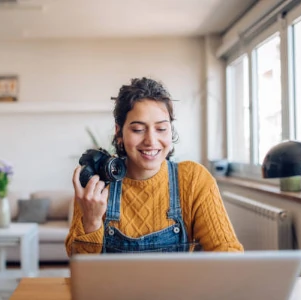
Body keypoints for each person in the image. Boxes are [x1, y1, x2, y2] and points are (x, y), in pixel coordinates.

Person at [65, 77, 243, 254]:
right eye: (138, 129)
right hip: (114, 284)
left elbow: (227, 253)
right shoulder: (99, 181)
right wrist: (91, 221)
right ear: (119, 132)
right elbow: (82, 268)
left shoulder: (193, 180)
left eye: (161, 129)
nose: (151, 141)